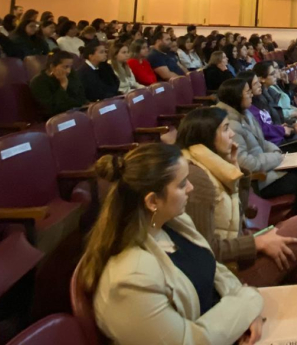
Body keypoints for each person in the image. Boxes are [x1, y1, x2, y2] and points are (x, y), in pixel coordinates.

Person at [176, 108, 297, 342]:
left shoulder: (212, 165)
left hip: (240, 252)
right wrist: (256, 243)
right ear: (206, 136)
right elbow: (205, 253)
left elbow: (237, 215)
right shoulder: (197, 179)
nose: (231, 136)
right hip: (229, 275)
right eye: (225, 130)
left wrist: (236, 168)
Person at [79, 144, 266, 345]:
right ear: (152, 202)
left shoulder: (174, 223)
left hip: (227, 327)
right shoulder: (131, 278)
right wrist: (249, 303)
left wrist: (246, 315)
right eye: (182, 184)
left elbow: (217, 273)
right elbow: (190, 341)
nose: (191, 188)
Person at [217, 78, 297, 215]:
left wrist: (276, 152)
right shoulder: (231, 126)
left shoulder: (246, 113)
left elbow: (263, 142)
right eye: (247, 92)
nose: (251, 94)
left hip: (270, 164)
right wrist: (276, 157)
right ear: (236, 96)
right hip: (260, 180)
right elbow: (246, 164)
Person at [29, 50, 87, 118]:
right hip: (53, 118)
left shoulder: (71, 74)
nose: (69, 71)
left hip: (74, 112)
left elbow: (80, 98)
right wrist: (63, 85)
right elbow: (52, 109)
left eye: (70, 67)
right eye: (65, 67)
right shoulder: (38, 82)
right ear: (52, 67)